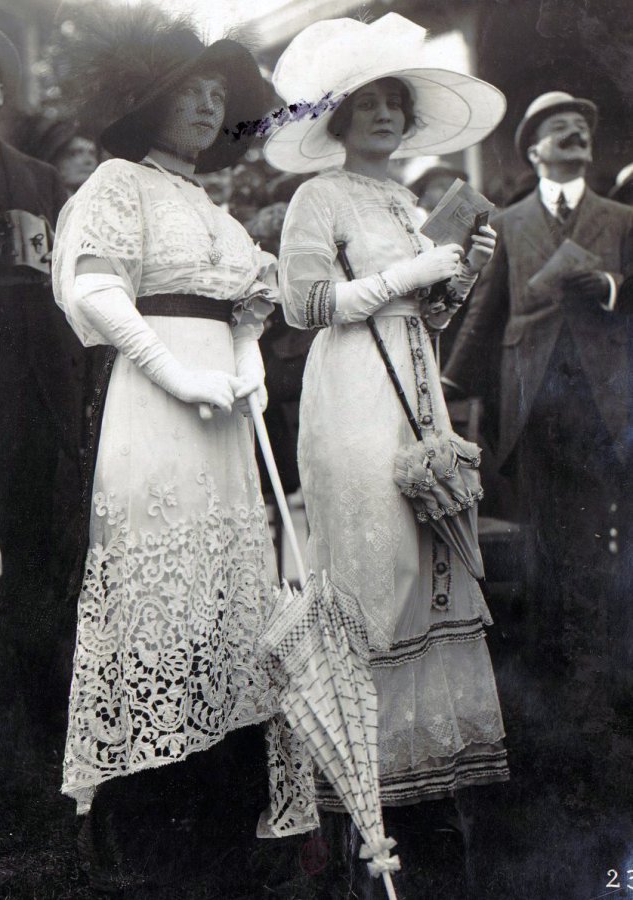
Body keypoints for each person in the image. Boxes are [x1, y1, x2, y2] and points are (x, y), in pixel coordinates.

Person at [51, 4, 316, 892]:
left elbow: (248, 301)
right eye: (189, 92)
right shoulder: (118, 184)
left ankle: (216, 812)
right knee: (160, 603)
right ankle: (144, 825)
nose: (205, 107)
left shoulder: (213, 206)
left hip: (226, 420)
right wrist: (175, 368)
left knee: (226, 601)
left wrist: (247, 365)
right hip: (156, 413)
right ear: (147, 100)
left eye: (217, 95)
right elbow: (95, 291)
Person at [266, 12, 509, 822]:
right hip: (352, 396)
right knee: (373, 561)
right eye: (366, 103)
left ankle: (425, 761)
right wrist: (413, 268)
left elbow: (425, 316)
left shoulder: (407, 199)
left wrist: (458, 276)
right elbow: (303, 304)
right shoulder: (318, 195)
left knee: (421, 558)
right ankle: (360, 773)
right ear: (338, 117)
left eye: (394, 105)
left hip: (415, 387)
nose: (382, 116)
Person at [442, 92, 633, 720]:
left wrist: (609, 286)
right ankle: (553, 669)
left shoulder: (621, 217)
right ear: (533, 149)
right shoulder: (508, 223)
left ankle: (603, 665)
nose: (576, 133)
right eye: (560, 128)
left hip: (606, 401)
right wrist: (447, 383)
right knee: (546, 533)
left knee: (604, 527)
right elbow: (484, 312)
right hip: (533, 401)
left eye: (583, 127)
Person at [0, 18, 84, 631]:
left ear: (3, 89)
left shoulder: (41, 177)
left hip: (25, 359)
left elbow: (66, 279)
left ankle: (28, 639)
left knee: (29, 505)